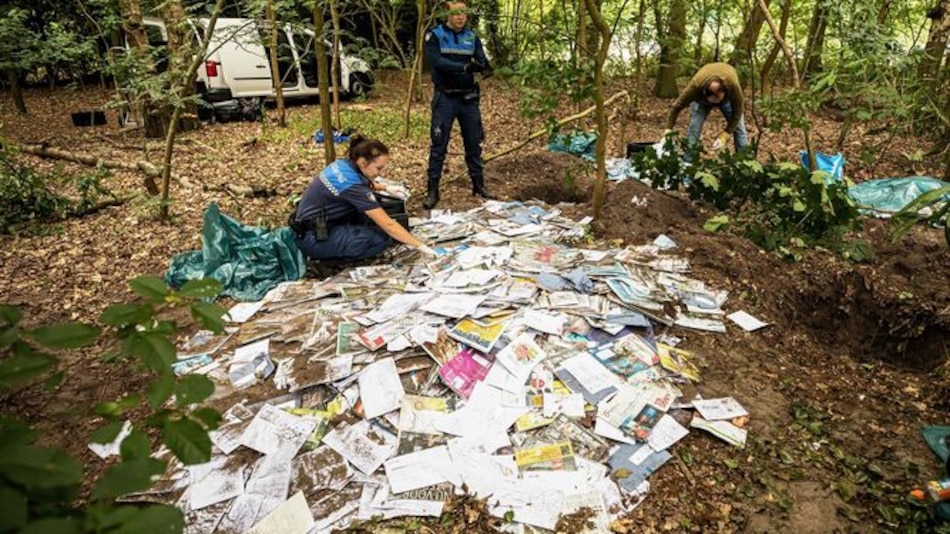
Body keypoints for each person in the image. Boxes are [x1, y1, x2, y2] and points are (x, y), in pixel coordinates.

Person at [290, 135, 436, 261]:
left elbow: (359, 184)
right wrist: (420, 246)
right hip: (312, 239)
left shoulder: (342, 165)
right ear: (362, 162)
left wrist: (386, 188)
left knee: (370, 221)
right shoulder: (352, 186)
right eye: (378, 168)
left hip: (309, 227)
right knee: (382, 239)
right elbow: (388, 225)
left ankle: (339, 242)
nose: (380, 174)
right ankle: (334, 259)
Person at [423, 0, 494, 210]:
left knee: (474, 143)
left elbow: (481, 62)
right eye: (456, 14)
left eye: (463, 13)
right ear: (448, 15)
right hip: (445, 98)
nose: (460, 17)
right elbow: (437, 63)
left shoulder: (472, 37)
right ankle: (432, 189)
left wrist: (483, 67)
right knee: (438, 145)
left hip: (468, 99)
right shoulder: (435, 35)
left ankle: (478, 185)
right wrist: (463, 67)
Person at [665, 62, 749, 158]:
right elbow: (676, 107)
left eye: (718, 101)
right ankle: (688, 162)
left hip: (726, 100)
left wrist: (725, 135)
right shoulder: (695, 86)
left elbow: (738, 111)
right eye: (713, 101)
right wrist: (668, 129)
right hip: (701, 102)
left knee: (739, 128)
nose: (715, 105)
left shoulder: (732, 85)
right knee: (694, 129)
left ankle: (743, 161)